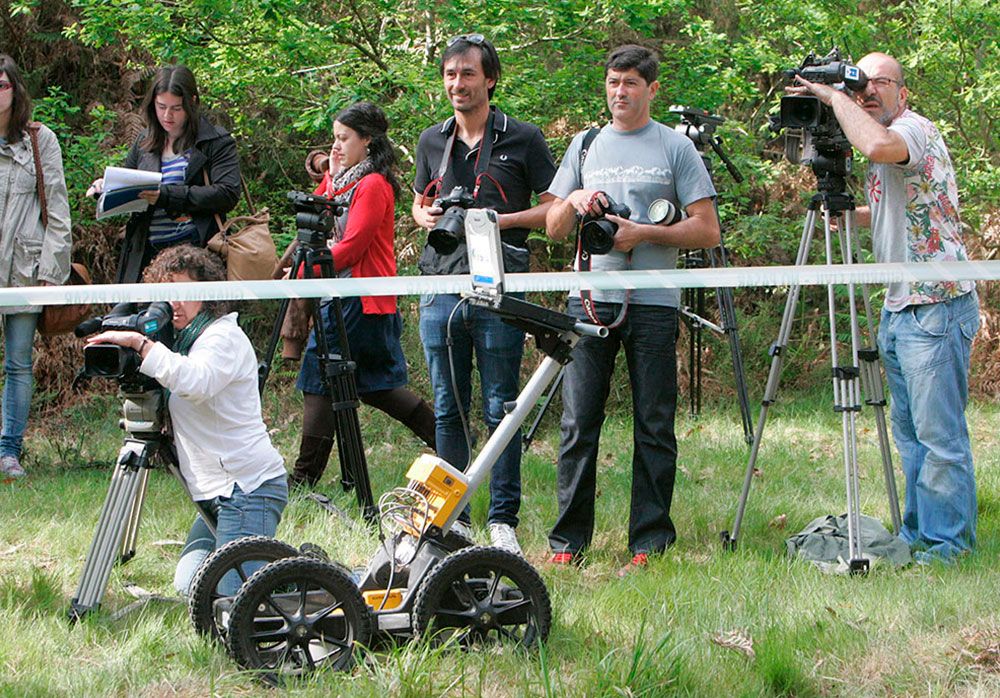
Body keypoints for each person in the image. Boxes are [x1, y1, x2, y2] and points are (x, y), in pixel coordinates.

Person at [788, 52, 980, 562]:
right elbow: (906, 203)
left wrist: (833, 96)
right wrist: (852, 218)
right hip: (901, 306)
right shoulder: (885, 142)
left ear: (903, 92)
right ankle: (917, 537)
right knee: (912, 438)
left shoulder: (912, 130)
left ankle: (947, 548)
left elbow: (876, 143)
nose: (868, 91)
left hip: (936, 305)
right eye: (861, 84)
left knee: (940, 439)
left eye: (880, 83)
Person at [544, 45, 719, 573]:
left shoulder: (675, 148)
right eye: (613, 82)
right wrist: (574, 202)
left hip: (654, 302)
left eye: (631, 84)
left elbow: (707, 229)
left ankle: (650, 543)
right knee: (577, 424)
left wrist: (643, 233)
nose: (620, 92)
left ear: (651, 89)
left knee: (653, 423)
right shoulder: (585, 144)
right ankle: (567, 545)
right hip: (591, 299)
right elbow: (553, 228)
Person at [411, 34, 557, 554]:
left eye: (467, 74)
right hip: (441, 281)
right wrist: (425, 215)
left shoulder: (522, 138)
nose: (457, 84)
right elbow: (416, 204)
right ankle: (453, 519)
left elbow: (552, 209)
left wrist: (496, 221)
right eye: (450, 75)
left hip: (499, 278)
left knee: (502, 405)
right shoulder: (433, 140)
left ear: (489, 79)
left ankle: (502, 521)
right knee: (448, 407)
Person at [85, 245, 287, 595]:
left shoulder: (221, 337)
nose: (174, 303)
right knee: (189, 586)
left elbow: (195, 382)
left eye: (183, 292)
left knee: (234, 598)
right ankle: (275, 569)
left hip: (246, 488)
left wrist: (141, 345)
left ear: (208, 294)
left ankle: (312, 578)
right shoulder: (184, 341)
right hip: (216, 494)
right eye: (166, 294)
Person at [290, 101, 436, 487]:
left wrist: (303, 269)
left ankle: (303, 480)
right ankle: (453, 442)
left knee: (319, 377)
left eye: (344, 139)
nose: (335, 146)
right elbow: (317, 207)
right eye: (334, 138)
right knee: (377, 387)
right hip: (345, 297)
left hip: (360, 299)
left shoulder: (372, 185)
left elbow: (352, 247)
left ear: (367, 141)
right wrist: (328, 166)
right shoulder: (344, 179)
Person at [87, 65, 240, 283]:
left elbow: (227, 193)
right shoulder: (143, 142)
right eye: (161, 107)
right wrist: (106, 188)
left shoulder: (215, 142)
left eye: (176, 108)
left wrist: (166, 195)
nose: (167, 115)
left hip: (197, 256)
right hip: (146, 255)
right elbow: (130, 188)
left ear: (192, 103)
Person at [0, 54, 72, 479]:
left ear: (15, 88)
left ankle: (9, 451)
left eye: (2, 84)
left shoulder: (39, 140)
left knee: (18, 363)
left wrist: (51, 271)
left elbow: (58, 212)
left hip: (25, 270)